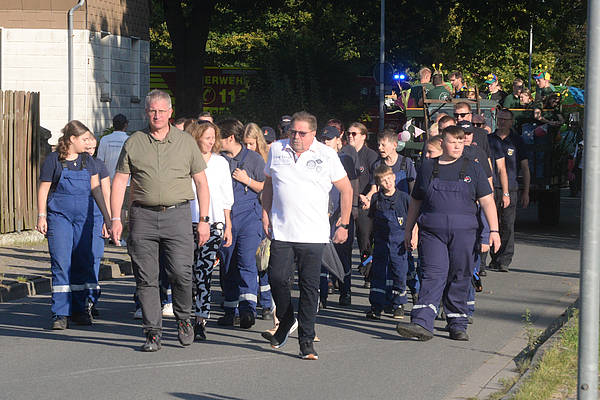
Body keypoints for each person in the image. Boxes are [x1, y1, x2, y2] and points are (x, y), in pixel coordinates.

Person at [110, 89, 211, 352]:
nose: (156, 115)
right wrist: (115, 218)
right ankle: (152, 332)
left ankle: (184, 318)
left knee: (180, 272)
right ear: (146, 112)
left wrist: (204, 220)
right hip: (142, 216)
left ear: (170, 113)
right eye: (152, 110)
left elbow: (201, 182)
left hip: (178, 215)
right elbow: (120, 182)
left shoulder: (186, 142)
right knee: (146, 278)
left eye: (161, 111)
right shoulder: (134, 142)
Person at [262, 111, 352, 360]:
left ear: (313, 134)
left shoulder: (327, 155)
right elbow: (269, 183)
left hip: (313, 233)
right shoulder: (277, 150)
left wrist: (343, 223)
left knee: (309, 287)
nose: (296, 137)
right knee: (277, 278)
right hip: (282, 229)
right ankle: (287, 317)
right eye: (293, 132)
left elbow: (346, 189)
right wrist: (265, 212)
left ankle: (306, 341)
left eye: (302, 133)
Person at [396, 126, 500, 341]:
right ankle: (422, 322)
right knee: (433, 274)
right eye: (453, 142)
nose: (457, 146)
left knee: (459, 274)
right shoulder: (427, 167)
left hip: (464, 234)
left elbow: (487, 202)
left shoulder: (473, 168)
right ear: (442, 142)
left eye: (461, 142)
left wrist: (494, 231)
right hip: (432, 233)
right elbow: (416, 201)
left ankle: (457, 322)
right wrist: (409, 230)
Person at [36, 120, 111, 329]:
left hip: (84, 218)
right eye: (84, 139)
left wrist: (107, 216)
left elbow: (97, 190)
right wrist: (42, 215)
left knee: (82, 261)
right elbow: (43, 189)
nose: (88, 143)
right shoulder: (54, 160)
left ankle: (79, 309)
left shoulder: (89, 161)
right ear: (72, 139)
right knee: (61, 262)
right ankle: (60, 313)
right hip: (60, 216)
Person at [186, 121, 234, 341]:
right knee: (186, 273)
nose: (211, 141)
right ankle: (184, 316)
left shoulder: (221, 163)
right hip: (186, 222)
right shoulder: (185, 159)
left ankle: (200, 320)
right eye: (207, 137)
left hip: (214, 223)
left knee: (204, 273)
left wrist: (227, 224)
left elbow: (226, 196)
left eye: (213, 137)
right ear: (196, 138)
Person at [217, 119, 266, 329]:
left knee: (246, 262)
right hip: (225, 220)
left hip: (249, 218)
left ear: (230, 138)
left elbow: (266, 188)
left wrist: (247, 180)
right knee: (227, 267)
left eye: (219, 137)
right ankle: (230, 310)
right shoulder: (217, 161)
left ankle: (248, 311)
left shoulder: (253, 159)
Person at [365, 164, 415, 320]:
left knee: (399, 273)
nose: (387, 183)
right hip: (380, 243)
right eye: (383, 181)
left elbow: (413, 219)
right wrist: (370, 241)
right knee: (378, 274)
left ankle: (398, 305)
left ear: (394, 177)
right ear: (378, 184)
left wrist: (413, 236)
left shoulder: (405, 198)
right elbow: (372, 220)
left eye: (389, 179)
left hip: (399, 244)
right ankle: (376, 306)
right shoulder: (376, 199)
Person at [317, 125, 357, 307]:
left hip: (341, 215)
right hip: (322, 214)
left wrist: (345, 215)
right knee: (321, 256)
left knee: (342, 255)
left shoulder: (345, 160)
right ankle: (322, 295)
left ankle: (345, 291)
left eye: (329, 138)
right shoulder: (316, 158)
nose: (326, 141)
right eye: (324, 138)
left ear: (338, 141)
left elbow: (350, 189)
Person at [488, 109, 530, 272]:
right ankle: (493, 257)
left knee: (507, 224)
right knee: (492, 224)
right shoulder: (489, 139)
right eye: (499, 119)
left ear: (511, 122)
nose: (502, 122)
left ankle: (504, 260)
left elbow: (525, 168)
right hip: (491, 188)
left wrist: (526, 191)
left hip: (510, 188)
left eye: (505, 119)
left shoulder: (517, 141)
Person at [243, 122, 276, 320]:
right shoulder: (243, 158)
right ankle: (251, 300)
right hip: (249, 213)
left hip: (265, 211)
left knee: (264, 259)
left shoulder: (265, 159)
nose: (248, 149)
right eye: (245, 144)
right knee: (252, 260)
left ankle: (266, 301)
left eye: (251, 144)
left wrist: (246, 180)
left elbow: (265, 188)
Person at [349, 122, 378, 288]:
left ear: (363, 136)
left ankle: (369, 273)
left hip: (364, 205)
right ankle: (339, 278)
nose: (351, 136)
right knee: (342, 241)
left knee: (365, 240)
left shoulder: (370, 155)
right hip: (347, 203)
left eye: (355, 134)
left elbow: (376, 180)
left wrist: (367, 196)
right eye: (349, 133)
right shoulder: (346, 153)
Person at [85, 135, 111, 318]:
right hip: (76, 217)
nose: (89, 151)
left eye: (93, 148)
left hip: (95, 217)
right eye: (87, 148)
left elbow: (106, 192)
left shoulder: (99, 165)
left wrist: (107, 219)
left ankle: (91, 300)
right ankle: (75, 299)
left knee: (94, 258)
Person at [97, 114, 129, 180]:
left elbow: (99, 162)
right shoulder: (129, 140)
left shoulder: (105, 139)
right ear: (125, 125)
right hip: (125, 182)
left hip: (107, 181)